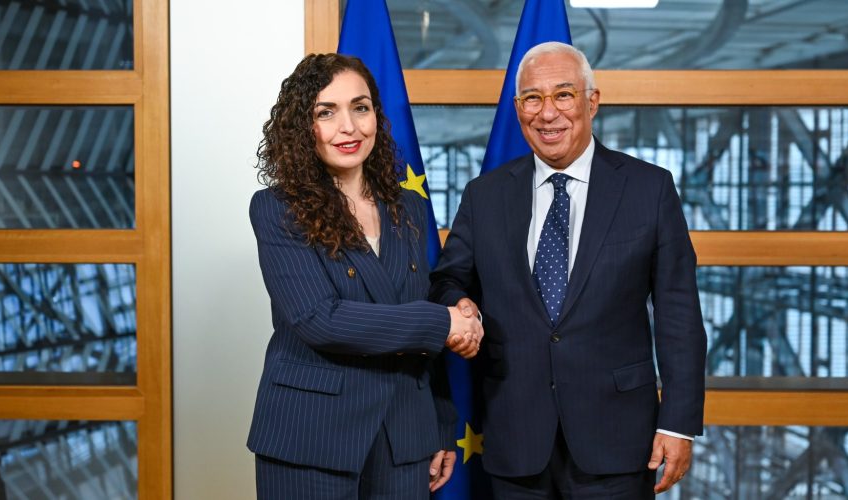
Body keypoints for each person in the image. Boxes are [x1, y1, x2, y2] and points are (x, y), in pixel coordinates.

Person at [430, 42, 707, 498]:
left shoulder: (648, 188)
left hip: (618, 438)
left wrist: (678, 423)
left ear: (591, 102)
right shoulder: (485, 195)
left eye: (563, 95)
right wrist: (459, 305)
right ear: (517, 109)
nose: (547, 113)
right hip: (514, 435)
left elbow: (679, 313)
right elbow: (447, 279)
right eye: (532, 99)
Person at [247, 53, 482, 500]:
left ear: (376, 115)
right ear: (303, 127)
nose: (349, 127)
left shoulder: (409, 208)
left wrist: (441, 423)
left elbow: (419, 315)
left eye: (360, 107)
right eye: (326, 112)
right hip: (310, 436)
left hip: (405, 435)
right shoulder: (277, 208)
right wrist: (444, 322)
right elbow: (320, 319)